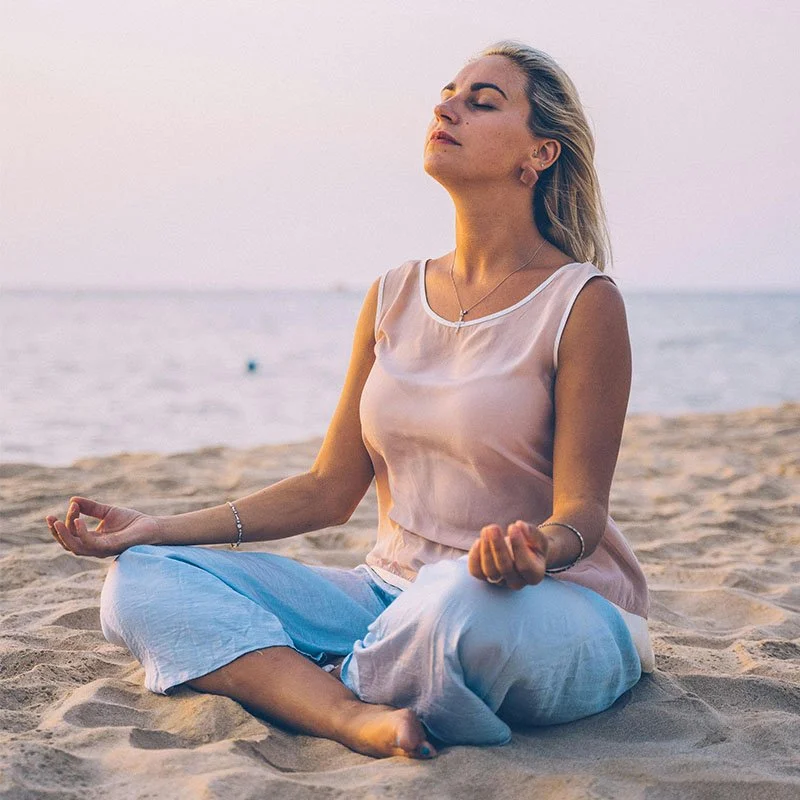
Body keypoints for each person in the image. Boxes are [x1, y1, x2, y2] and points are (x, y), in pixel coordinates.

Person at [46, 40, 654, 761]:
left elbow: (582, 512)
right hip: (384, 595)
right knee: (141, 580)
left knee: (454, 603)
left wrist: (535, 551)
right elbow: (330, 490)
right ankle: (344, 711)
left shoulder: (581, 302)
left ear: (540, 154)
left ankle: (336, 673)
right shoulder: (394, 293)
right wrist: (157, 527)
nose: (446, 106)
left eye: (481, 101)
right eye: (448, 92)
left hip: (542, 604)